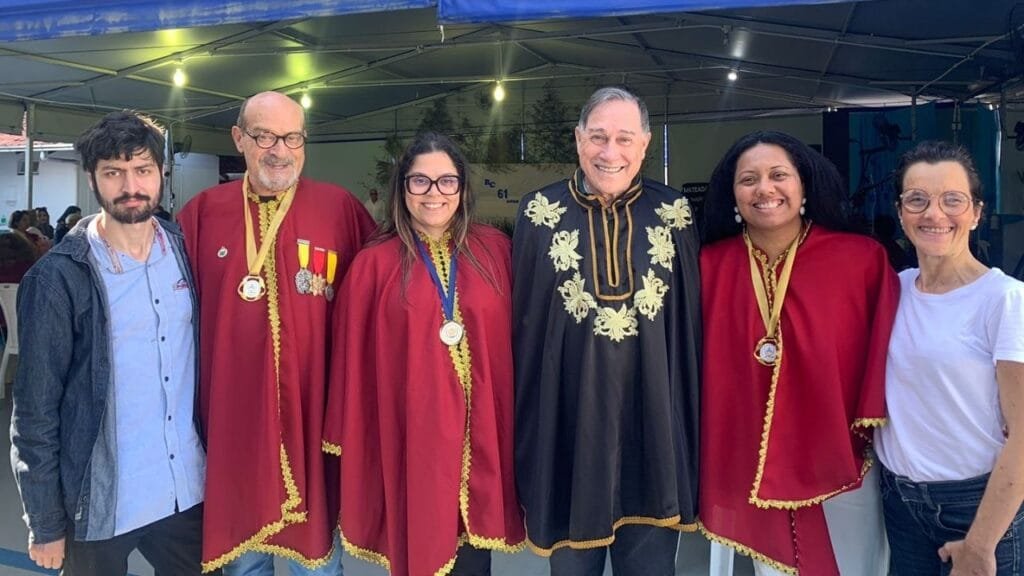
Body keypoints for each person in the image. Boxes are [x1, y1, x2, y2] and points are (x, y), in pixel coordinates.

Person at [178, 91, 376, 576]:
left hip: (314, 417)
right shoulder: (203, 214)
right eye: (265, 135)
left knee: (320, 564)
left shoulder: (340, 210)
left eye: (291, 137)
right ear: (239, 139)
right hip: (235, 425)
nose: (279, 150)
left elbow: (380, 298)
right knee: (245, 563)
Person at [512, 86, 701, 575]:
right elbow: (525, 336)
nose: (609, 152)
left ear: (644, 143)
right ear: (578, 140)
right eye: (598, 137)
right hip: (569, 439)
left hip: (653, 434)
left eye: (623, 138)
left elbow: (687, 338)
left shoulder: (675, 214)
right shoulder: (537, 213)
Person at [9, 110, 207, 575]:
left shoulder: (184, 252)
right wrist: (44, 522)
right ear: (93, 179)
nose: (130, 186)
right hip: (100, 501)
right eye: (113, 173)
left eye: (142, 170)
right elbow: (34, 409)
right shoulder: (58, 278)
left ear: (161, 174)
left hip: (186, 491)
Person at [323, 132, 525, 576]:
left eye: (446, 181)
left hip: (483, 434)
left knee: (475, 560)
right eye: (420, 182)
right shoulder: (373, 264)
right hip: (414, 439)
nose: (434, 194)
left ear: (463, 188)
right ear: (402, 189)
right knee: (422, 548)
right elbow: (352, 364)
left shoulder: (495, 251)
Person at [699, 130, 899, 576]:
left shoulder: (860, 259)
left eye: (778, 175)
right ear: (732, 194)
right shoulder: (707, 267)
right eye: (748, 179)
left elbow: (884, 356)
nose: (764, 189)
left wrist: (864, 428)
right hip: (743, 460)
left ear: (804, 184)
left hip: (840, 456)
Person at [875, 141, 1024, 576]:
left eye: (952, 200)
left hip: (977, 507)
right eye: (917, 200)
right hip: (900, 504)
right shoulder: (891, 290)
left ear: (976, 212)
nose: (934, 215)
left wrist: (981, 544)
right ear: (901, 212)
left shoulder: (1005, 300)